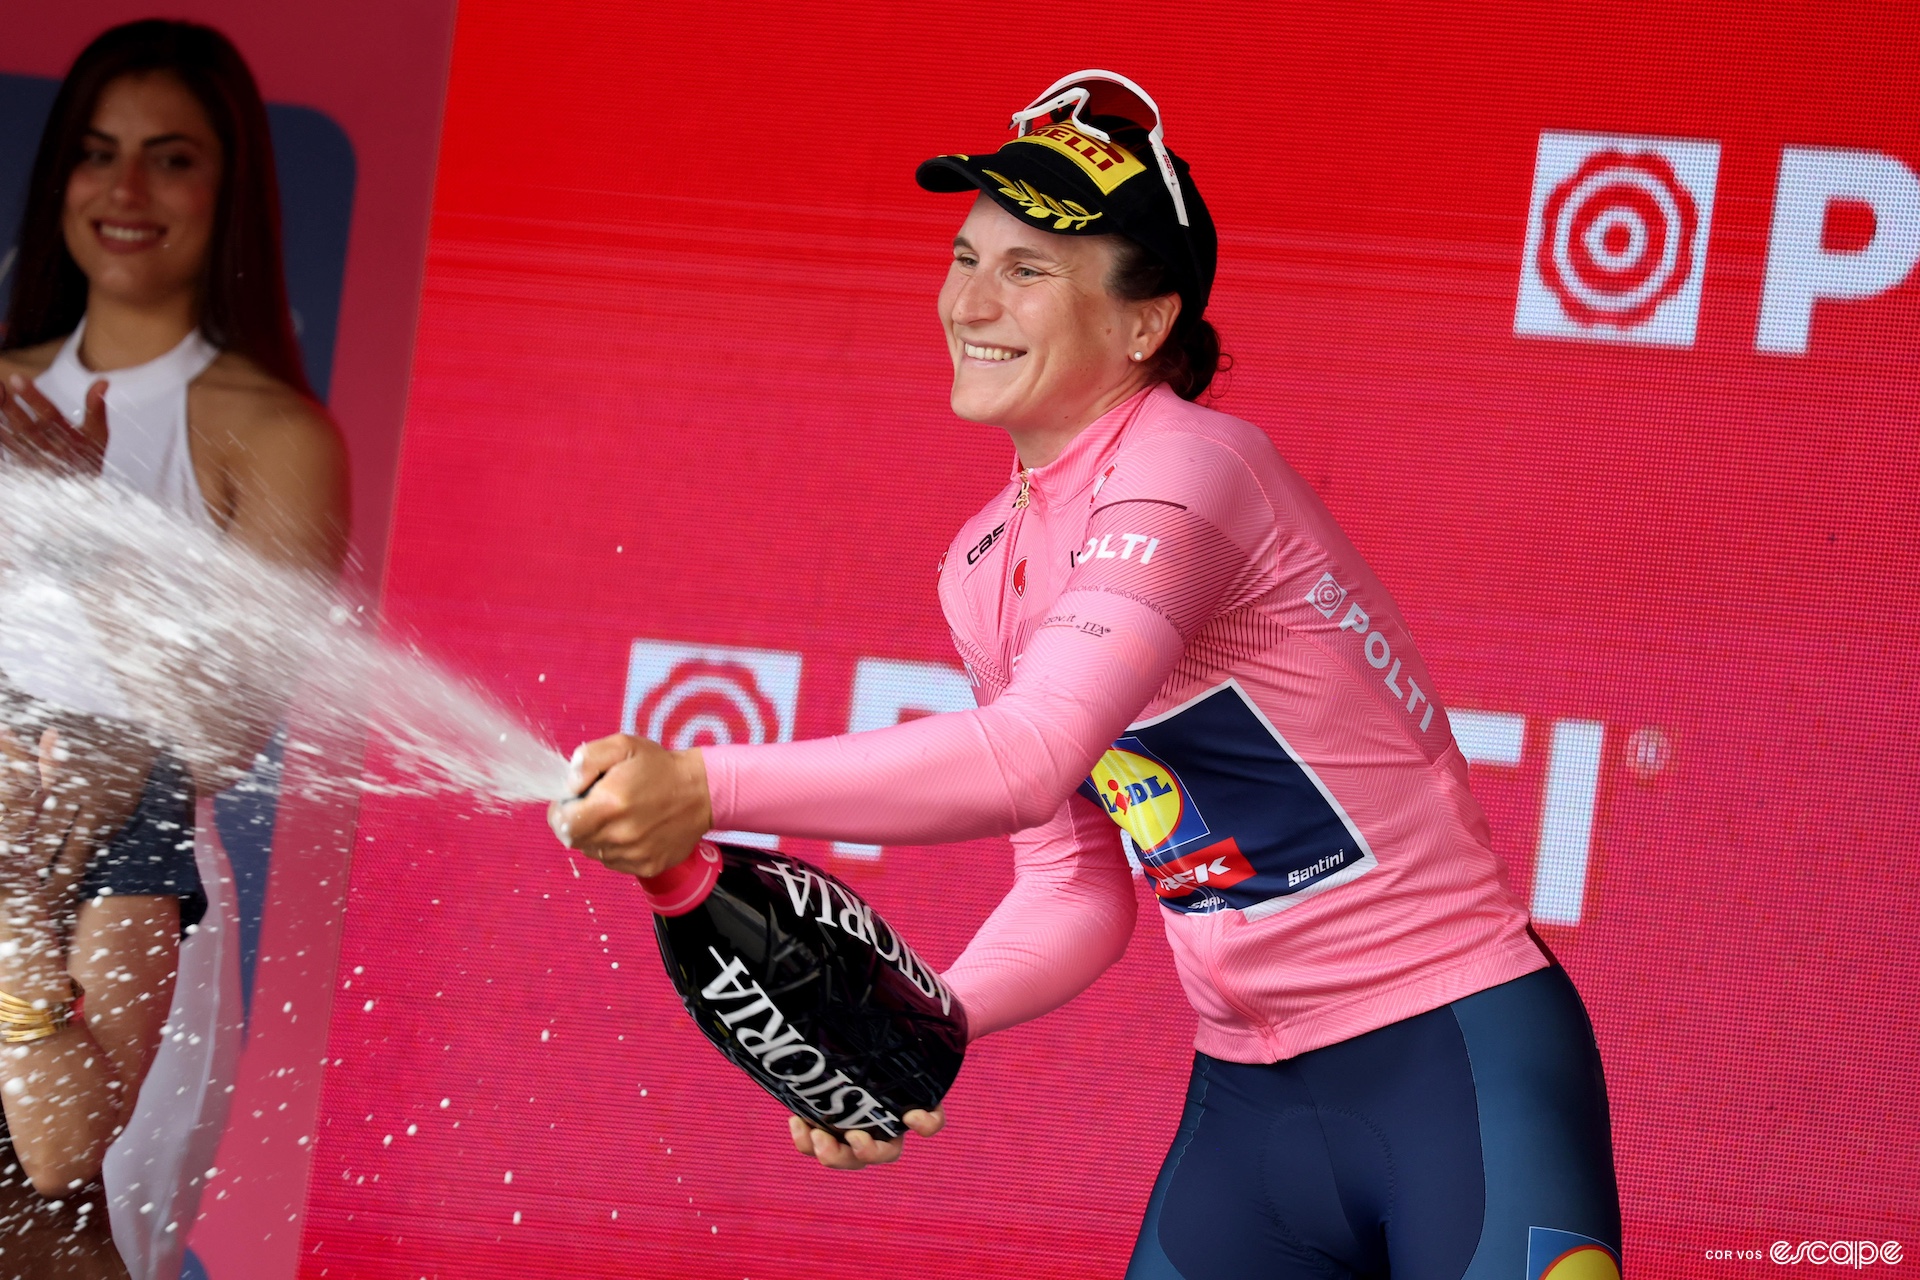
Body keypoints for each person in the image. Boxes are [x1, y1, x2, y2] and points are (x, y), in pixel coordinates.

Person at [554, 72, 1622, 1280]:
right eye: (965, 256)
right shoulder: (982, 563)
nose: (969, 300)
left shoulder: (1195, 466)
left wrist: (706, 783)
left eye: (1027, 270)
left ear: (1144, 323)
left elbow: (1029, 755)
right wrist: (924, 1021)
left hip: (1455, 1055)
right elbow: (1077, 883)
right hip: (1250, 1101)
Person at [0, 19, 347, 1279]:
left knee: (54, 1221)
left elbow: (224, 733)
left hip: (123, 892)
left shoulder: (278, 436)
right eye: (97, 154)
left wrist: (82, 529)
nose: (126, 192)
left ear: (228, 187)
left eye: (170, 158)